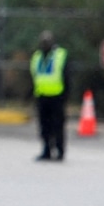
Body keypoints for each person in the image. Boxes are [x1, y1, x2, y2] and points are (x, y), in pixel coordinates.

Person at [30, 31, 69, 162]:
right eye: (43, 41)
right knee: (44, 126)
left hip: (57, 97)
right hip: (42, 96)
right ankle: (46, 150)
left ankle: (60, 151)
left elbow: (67, 76)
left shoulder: (60, 55)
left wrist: (65, 96)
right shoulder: (37, 56)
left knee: (57, 126)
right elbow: (34, 76)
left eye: (47, 41)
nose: (45, 44)